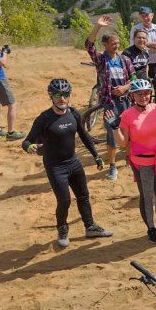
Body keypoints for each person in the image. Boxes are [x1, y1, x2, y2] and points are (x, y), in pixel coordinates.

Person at [22, 79, 112, 246]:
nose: (61, 98)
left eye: (65, 94)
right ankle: (62, 229)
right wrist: (30, 147)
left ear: (69, 95)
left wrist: (96, 155)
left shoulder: (74, 113)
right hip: (55, 167)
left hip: (74, 163)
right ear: (51, 96)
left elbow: (84, 135)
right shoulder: (44, 118)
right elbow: (26, 141)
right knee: (64, 200)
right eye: (57, 95)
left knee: (83, 196)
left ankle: (90, 227)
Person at [105, 79, 156, 243]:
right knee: (147, 195)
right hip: (141, 162)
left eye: (146, 93)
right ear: (132, 96)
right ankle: (151, 227)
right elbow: (123, 143)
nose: (143, 96)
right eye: (139, 93)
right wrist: (115, 128)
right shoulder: (127, 115)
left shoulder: (155, 108)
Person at [87, 15, 135, 181]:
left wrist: (125, 88)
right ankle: (113, 166)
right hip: (109, 103)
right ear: (105, 45)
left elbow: (134, 79)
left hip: (126, 101)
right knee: (111, 134)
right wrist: (98, 27)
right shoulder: (101, 60)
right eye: (113, 43)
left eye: (118, 43)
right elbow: (89, 45)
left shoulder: (125, 60)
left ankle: (130, 159)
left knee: (128, 131)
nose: (117, 45)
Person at [129, 6, 156, 77]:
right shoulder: (135, 29)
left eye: (147, 15)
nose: (145, 18)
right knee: (143, 86)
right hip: (141, 65)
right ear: (140, 17)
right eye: (142, 16)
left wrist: (147, 44)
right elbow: (133, 46)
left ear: (152, 15)